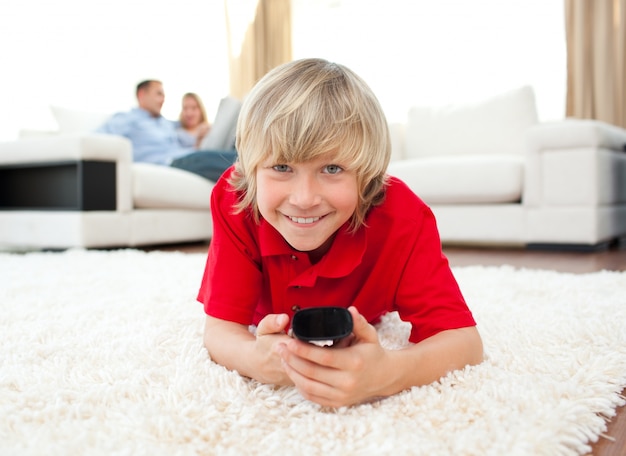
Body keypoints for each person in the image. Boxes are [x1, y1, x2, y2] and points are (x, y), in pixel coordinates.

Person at [198, 58, 483, 408]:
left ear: (367, 175)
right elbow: (221, 330)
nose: (303, 199)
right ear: (251, 167)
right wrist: (254, 359)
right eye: (281, 167)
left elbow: (464, 342)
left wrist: (390, 372)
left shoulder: (403, 218)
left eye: (332, 168)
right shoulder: (235, 199)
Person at [95, 80, 237, 182]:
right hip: (171, 163)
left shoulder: (164, 123)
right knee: (232, 162)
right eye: (159, 94)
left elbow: (188, 130)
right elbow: (94, 138)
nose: (163, 99)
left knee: (237, 147)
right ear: (141, 95)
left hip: (187, 156)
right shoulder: (128, 119)